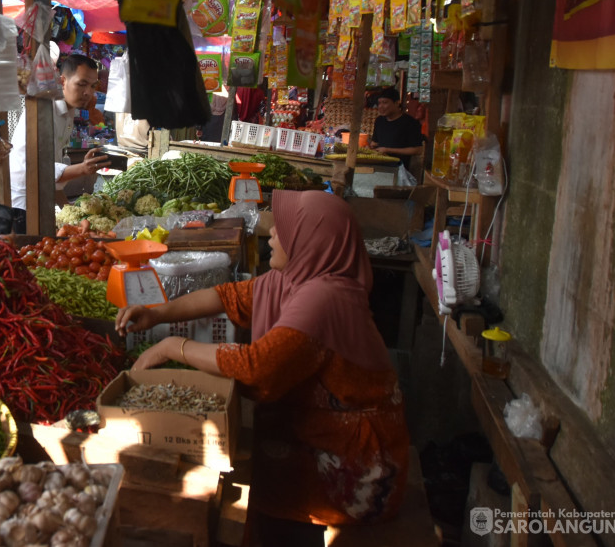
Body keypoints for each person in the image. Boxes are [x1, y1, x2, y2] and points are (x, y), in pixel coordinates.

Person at [117, 191, 410, 546]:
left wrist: (172, 347)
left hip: (357, 463)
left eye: (282, 229)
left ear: (310, 241)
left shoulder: (325, 298)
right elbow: (227, 297)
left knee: (233, 494)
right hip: (313, 429)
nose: (270, 235)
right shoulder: (295, 279)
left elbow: (254, 366)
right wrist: (157, 313)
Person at [8, 53, 108, 211]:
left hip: (41, 197)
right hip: (19, 202)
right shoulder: (44, 111)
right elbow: (39, 169)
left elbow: (52, 174)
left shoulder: (68, 112)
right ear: (63, 81)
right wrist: (82, 168)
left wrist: (67, 209)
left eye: (92, 86)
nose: (88, 92)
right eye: (82, 84)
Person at [370, 87, 425, 169]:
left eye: (385, 102)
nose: (380, 106)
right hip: (379, 164)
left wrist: (388, 150)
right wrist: (369, 147)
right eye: (379, 103)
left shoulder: (410, 122)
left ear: (396, 103)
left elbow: (418, 150)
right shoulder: (379, 121)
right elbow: (375, 143)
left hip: (399, 167)